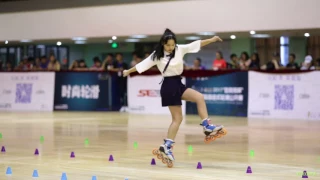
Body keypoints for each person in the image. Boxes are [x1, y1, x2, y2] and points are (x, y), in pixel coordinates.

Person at [122, 28, 226, 167]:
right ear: (163, 44)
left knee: (199, 97)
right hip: (168, 86)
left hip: (178, 83)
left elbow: (196, 44)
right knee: (177, 119)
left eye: (172, 44)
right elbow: (142, 65)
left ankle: (207, 127)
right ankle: (167, 146)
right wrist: (128, 71)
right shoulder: (157, 55)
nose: (170, 47)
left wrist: (212, 40)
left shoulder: (179, 49)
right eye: (168, 45)